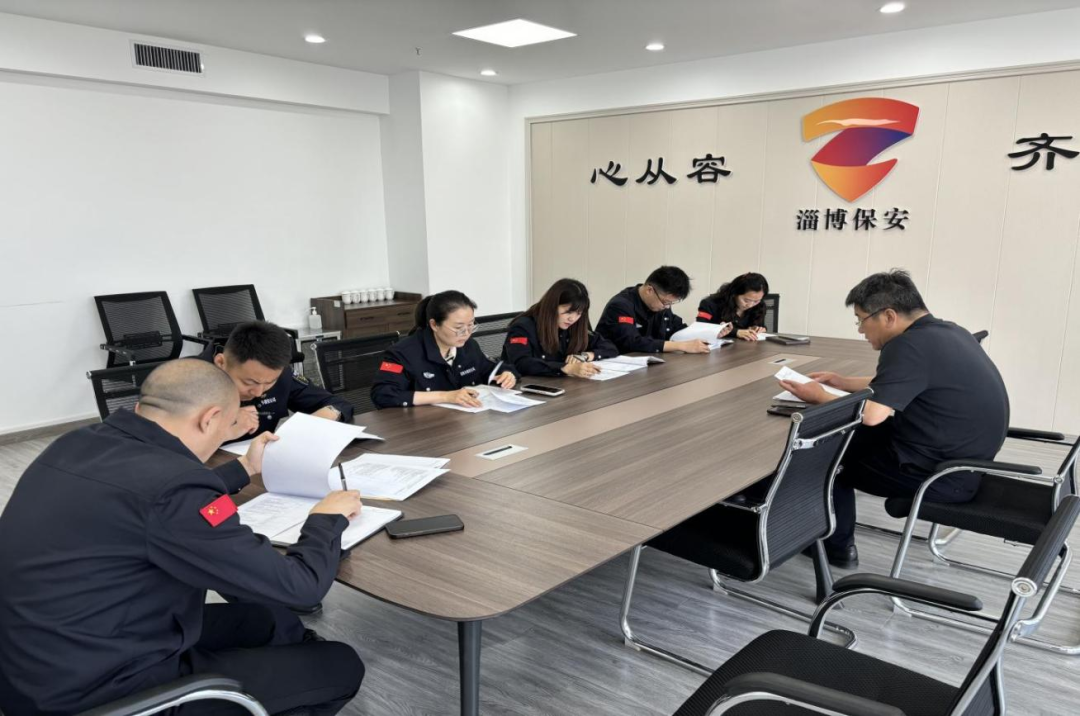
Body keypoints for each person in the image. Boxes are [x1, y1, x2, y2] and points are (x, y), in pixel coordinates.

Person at [0, 359, 365, 716]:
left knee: (266, 621)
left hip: (46, 656)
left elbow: (150, 501)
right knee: (340, 664)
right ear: (209, 419)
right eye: (228, 426)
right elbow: (300, 587)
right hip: (96, 692)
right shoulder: (173, 488)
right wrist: (325, 520)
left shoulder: (77, 443)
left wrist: (244, 467)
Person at [777, 270, 1009, 568]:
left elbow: (872, 415)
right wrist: (841, 381)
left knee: (826, 456)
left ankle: (836, 547)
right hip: (965, 463)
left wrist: (819, 396)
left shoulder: (906, 345)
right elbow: (901, 380)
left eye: (861, 320)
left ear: (888, 316)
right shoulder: (950, 332)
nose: (861, 330)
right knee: (842, 435)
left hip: (937, 476)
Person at [198, 320, 355, 442]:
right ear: (220, 363)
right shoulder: (189, 382)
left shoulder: (276, 373)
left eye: (269, 383)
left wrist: (328, 413)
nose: (259, 392)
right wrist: (224, 423)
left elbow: (339, 404)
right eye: (249, 383)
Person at [371, 290, 518, 409]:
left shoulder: (469, 346)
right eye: (459, 327)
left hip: (464, 421)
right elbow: (383, 395)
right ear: (434, 325)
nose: (466, 333)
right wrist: (446, 396)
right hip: (421, 426)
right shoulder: (402, 353)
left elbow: (492, 368)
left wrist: (506, 375)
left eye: (471, 325)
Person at [502, 278, 619, 379]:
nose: (572, 318)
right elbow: (522, 363)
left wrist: (586, 356)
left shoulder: (574, 325)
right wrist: (566, 368)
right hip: (527, 387)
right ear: (552, 306)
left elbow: (610, 347)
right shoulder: (523, 327)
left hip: (564, 386)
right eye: (568, 312)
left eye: (578, 313)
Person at [596, 266, 713, 354]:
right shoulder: (620, 306)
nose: (667, 307)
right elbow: (632, 342)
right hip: (614, 366)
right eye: (665, 302)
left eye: (670, 303)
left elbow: (676, 328)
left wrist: (709, 334)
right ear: (649, 290)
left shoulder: (659, 304)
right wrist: (680, 346)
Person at [697, 272, 770, 341]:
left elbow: (760, 325)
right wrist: (735, 332)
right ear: (734, 294)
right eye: (746, 300)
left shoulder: (759, 306)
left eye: (756, 301)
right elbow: (701, 328)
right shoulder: (710, 304)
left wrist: (759, 329)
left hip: (749, 347)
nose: (750, 305)